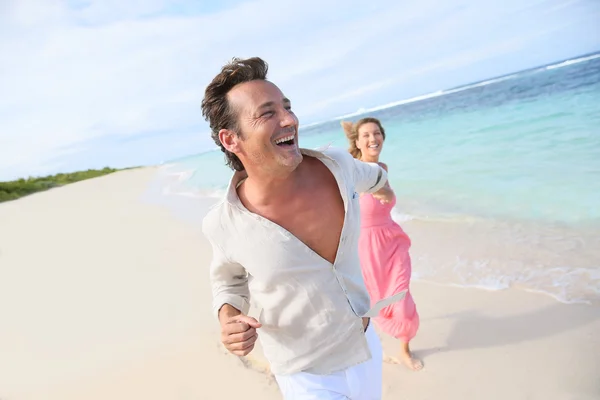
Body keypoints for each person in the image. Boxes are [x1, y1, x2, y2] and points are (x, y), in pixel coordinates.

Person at [200, 57, 401, 399]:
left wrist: (384, 186)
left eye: (287, 107)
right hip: (303, 370)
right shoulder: (223, 223)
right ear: (231, 139)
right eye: (268, 113)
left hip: (365, 344)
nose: (289, 119)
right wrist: (228, 318)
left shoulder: (337, 167)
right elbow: (228, 280)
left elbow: (373, 175)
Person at [341, 118, 423, 371]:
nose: (372, 138)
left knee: (402, 297)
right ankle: (374, 346)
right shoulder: (353, 171)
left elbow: (385, 197)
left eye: (376, 133)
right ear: (357, 142)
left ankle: (404, 350)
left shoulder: (383, 167)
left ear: (383, 138)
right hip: (366, 248)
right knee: (377, 302)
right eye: (365, 135)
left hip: (392, 241)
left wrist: (381, 190)